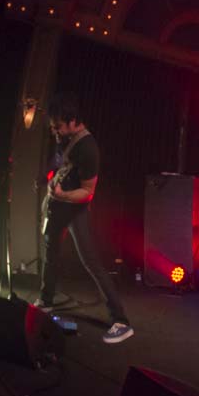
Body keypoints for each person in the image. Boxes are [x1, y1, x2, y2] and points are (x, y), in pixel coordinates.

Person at [36, 92, 134, 344]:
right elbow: (61, 164)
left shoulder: (88, 148)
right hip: (57, 205)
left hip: (75, 207)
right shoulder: (63, 136)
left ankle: (121, 321)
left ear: (72, 121)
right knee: (50, 252)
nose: (54, 131)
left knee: (91, 262)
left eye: (58, 126)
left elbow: (88, 193)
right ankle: (45, 302)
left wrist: (63, 194)